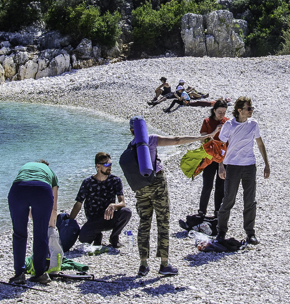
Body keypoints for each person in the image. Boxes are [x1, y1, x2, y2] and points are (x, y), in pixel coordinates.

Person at [130, 124, 207, 277]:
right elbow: (177, 140)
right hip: (157, 183)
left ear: (131, 131)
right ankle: (164, 264)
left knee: (144, 222)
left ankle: (143, 265)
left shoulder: (130, 146)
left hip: (141, 187)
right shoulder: (150, 139)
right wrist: (202, 137)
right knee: (162, 222)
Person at [216, 97, 270, 246]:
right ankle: (221, 232)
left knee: (250, 201)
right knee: (228, 199)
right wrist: (220, 165)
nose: (251, 110)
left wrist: (266, 164)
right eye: (249, 108)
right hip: (232, 166)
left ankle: (250, 233)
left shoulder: (253, 124)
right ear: (240, 110)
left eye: (251, 108)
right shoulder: (229, 125)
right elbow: (220, 145)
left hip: (249, 166)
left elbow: (260, 143)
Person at [7, 159, 58, 285]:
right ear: (46, 166)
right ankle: (40, 274)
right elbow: (54, 207)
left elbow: (27, 190)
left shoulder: (26, 166)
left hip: (18, 190)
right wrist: (51, 226)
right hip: (42, 191)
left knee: (19, 234)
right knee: (40, 235)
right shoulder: (51, 173)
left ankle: (19, 274)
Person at [69, 152, 132, 248]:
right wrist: (69, 222)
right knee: (83, 239)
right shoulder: (87, 182)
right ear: (98, 166)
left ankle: (114, 238)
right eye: (106, 164)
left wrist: (113, 205)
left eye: (110, 164)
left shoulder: (115, 181)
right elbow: (78, 204)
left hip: (109, 217)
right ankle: (97, 236)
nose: (109, 167)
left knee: (126, 212)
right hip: (93, 220)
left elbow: (122, 203)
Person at [195, 99, 230, 221]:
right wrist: (215, 132)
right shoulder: (207, 121)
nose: (221, 115)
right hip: (209, 158)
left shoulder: (228, 122)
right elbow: (203, 140)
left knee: (220, 186)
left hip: (223, 158)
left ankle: (217, 212)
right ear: (214, 110)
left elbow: (227, 143)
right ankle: (201, 211)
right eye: (219, 112)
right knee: (207, 185)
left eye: (224, 112)